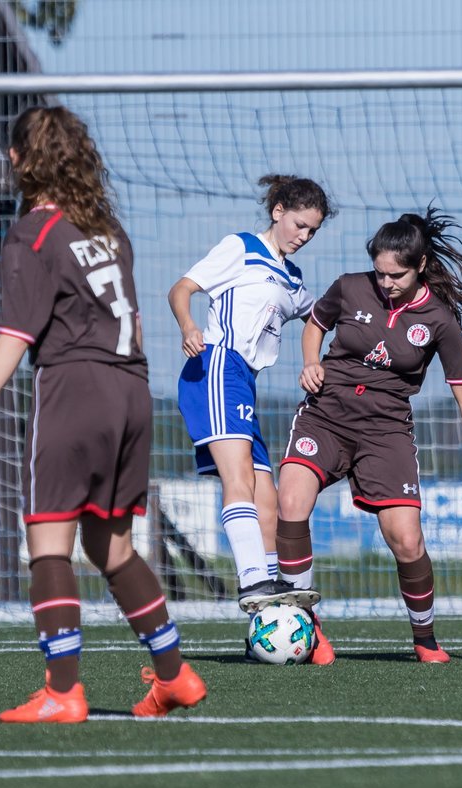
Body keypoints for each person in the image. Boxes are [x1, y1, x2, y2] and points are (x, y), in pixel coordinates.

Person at [0, 105, 206, 723]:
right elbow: (137, 323)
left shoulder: (32, 235)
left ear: (19, 160)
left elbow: (16, 334)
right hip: (131, 389)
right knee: (111, 545)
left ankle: (63, 690)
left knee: (47, 542)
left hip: (74, 387)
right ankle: (173, 677)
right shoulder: (109, 231)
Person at [274, 208, 462, 665]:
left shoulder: (439, 318)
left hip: (385, 429)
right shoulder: (350, 286)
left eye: (396, 274)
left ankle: (426, 639)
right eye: (380, 272)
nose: (386, 282)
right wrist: (311, 361)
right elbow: (315, 324)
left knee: (407, 540)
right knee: (290, 503)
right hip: (326, 415)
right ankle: (306, 628)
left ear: (421, 265)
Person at [169, 175, 334, 613]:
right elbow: (182, 288)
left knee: (268, 496)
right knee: (239, 478)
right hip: (217, 366)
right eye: (299, 225)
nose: (305, 236)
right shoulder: (240, 247)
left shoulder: (291, 277)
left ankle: (270, 590)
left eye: (313, 231)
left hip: (244, 383)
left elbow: (321, 314)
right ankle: (252, 582)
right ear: (278, 211)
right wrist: (189, 326)